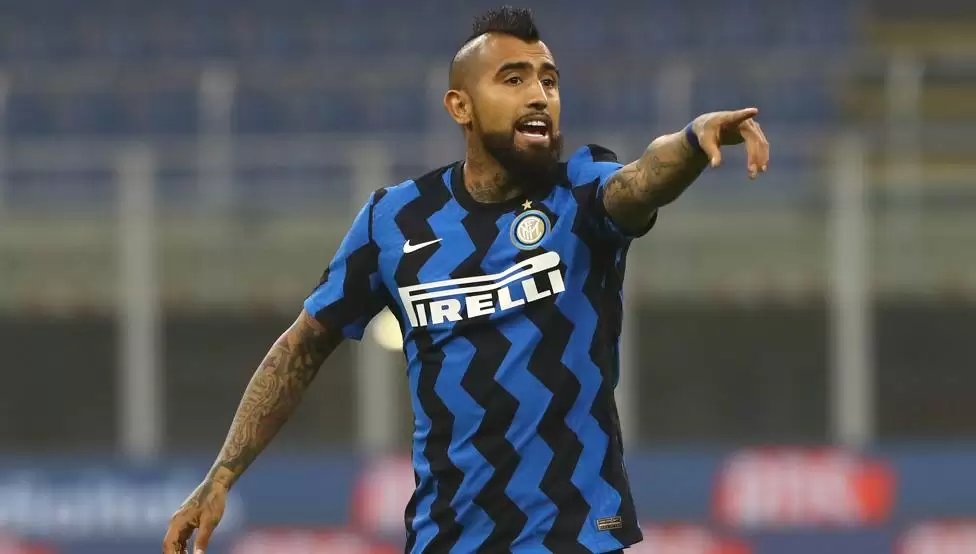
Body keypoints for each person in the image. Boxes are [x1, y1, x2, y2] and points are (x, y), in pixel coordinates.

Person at [163, 5, 769, 554]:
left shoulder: (581, 194)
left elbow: (642, 180)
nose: (539, 95)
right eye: (514, 79)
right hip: (446, 539)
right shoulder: (395, 220)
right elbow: (301, 346)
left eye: (549, 80)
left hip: (573, 537)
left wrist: (693, 141)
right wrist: (221, 476)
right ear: (460, 106)